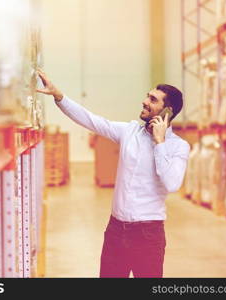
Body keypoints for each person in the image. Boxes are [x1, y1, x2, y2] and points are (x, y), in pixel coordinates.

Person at [36, 69, 190, 278]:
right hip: (116, 229)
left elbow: (172, 184)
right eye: (147, 95)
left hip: (148, 234)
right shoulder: (129, 132)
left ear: (167, 111)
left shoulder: (178, 147)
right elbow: (91, 120)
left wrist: (159, 143)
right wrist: (58, 96)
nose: (144, 101)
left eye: (152, 99)